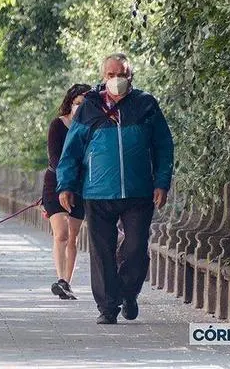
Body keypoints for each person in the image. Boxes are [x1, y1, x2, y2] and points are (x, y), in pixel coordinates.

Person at [57, 53, 174, 324]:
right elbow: (71, 149)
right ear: (103, 77)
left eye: (121, 74)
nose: (116, 80)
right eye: (111, 75)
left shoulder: (146, 104)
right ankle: (108, 308)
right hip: (97, 192)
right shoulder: (89, 106)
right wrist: (66, 185)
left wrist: (162, 182)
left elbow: (163, 145)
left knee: (135, 248)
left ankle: (128, 293)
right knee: (102, 252)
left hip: (139, 191)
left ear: (130, 76)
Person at [41, 83, 91, 300]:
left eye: (85, 104)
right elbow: (54, 158)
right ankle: (61, 279)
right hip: (55, 183)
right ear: (70, 103)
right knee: (61, 233)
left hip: (81, 186)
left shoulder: (93, 127)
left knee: (73, 236)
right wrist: (66, 178)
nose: (80, 107)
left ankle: (67, 282)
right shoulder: (58, 125)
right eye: (77, 103)